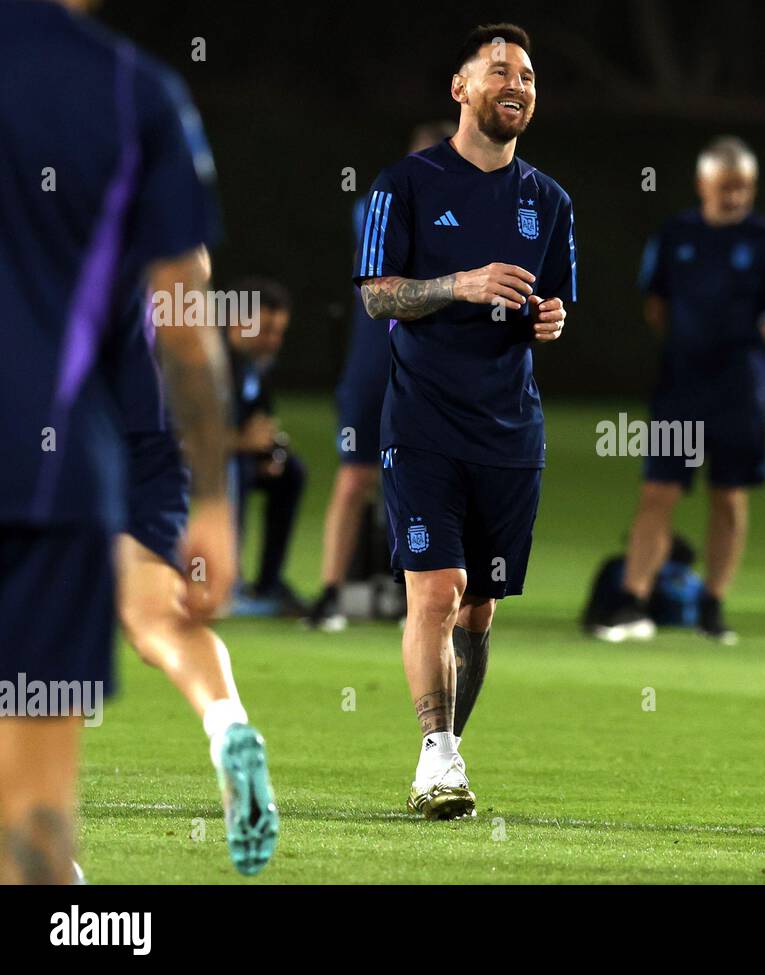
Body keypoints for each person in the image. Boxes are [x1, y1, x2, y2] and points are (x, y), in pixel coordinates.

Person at [0, 0, 235, 883]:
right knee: (35, 824)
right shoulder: (138, 92)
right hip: (52, 487)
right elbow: (184, 318)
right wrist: (213, 497)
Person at [353, 23, 575, 820]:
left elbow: (547, 305)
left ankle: (439, 758)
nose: (516, 83)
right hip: (423, 424)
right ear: (461, 87)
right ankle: (438, 751)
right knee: (437, 592)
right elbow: (378, 295)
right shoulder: (404, 185)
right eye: (499, 70)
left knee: (479, 607)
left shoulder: (549, 202)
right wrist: (460, 283)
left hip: (511, 434)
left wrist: (548, 319)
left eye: (529, 75)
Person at [589, 137, 765, 645]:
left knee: (729, 495)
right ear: (703, 184)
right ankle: (633, 601)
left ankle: (712, 603)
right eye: (726, 187)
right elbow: (655, 305)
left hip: (741, 387)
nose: (735, 197)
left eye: (744, 187)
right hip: (681, 387)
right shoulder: (676, 235)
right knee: (659, 490)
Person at [107, 294, 278, 876]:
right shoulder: (150, 201)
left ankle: (46, 864)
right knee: (156, 614)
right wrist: (212, 500)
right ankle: (226, 724)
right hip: (151, 414)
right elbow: (189, 318)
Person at [306, 121, 456, 632]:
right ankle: (331, 592)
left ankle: (410, 593)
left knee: (425, 480)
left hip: (434, 367)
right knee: (355, 476)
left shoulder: (469, 214)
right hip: (374, 366)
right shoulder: (378, 206)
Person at [226, 278, 306, 617]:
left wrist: (268, 452)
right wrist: (243, 444)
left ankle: (268, 583)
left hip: (232, 457)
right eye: (266, 330)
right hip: (188, 464)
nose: (273, 340)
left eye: (279, 332)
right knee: (237, 470)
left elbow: (260, 423)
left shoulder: (254, 366)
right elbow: (181, 435)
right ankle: (227, 584)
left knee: (291, 473)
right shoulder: (208, 360)